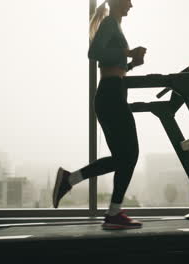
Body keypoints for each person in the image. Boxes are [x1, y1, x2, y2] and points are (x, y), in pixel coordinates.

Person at [52, 0, 146, 230]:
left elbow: (111, 65)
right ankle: (112, 212)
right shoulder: (109, 23)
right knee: (129, 154)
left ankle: (71, 180)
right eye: (128, 1)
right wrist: (127, 52)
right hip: (111, 96)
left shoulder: (115, 26)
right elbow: (93, 52)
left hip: (113, 94)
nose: (131, 5)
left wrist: (132, 63)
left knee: (124, 157)